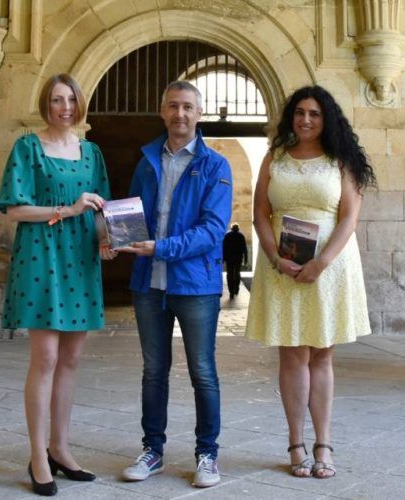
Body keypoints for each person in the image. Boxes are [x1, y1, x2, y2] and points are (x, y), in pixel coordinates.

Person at [0, 73, 117, 496]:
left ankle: (61, 449)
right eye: (56, 100)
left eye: (70, 100)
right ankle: (37, 455)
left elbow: (102, 208)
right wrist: (67, 209)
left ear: (79, 104)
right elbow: (13, 209)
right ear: (46, 105)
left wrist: (106, 237)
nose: (64, 107)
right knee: (45, 357)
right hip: (41, 256)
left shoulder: (92, 152)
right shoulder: (27, 147)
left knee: (71, 359)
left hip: (80, 258)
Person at [245, 85, 375, 479]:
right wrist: (274, 258)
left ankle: (323, 443)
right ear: (291, 117)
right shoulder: (275, 157)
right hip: (283, 265)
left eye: (314, 114)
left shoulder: (341, 161)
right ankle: (295, 442)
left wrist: (322, 262)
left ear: (326, 119)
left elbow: (350, 217)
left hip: (329, 267)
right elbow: (260, 213)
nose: (305, 119)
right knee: (291, 355)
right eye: (300, 112)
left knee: (321, 354)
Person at [117, 81, 233, 488]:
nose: (180, 114)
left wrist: (161, 247)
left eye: (187, 107)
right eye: (173, 106)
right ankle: (153, 450)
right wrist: (113, 237)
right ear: (162, 111)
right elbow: (130, 214)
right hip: (148, 283)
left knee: (203, 371)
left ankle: (207, 454)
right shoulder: (147, 160)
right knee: (154, 370)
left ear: (198, 114)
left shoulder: (216, 166)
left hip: (195, 285)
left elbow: (213, 230)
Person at [222, 223, 248, 299]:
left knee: (229, 274)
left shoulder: (227, 236)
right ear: (238, 228)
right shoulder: (241, 236)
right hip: (238, 258)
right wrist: (246, 259)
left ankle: (231, 291)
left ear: (231, 228)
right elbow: (244, 248)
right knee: (237, 273)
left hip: (229, 258)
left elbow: (224, 248)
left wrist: (223, 258)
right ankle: (236, 288)